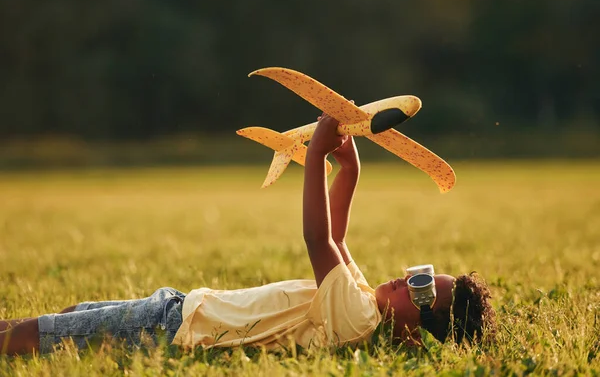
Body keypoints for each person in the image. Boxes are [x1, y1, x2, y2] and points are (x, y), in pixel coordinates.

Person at [0, 115, 496, 356]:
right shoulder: (363, 305)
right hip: (184, 307)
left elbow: (319, 240)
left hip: (178, 328)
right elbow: (340, 240)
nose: (408, 277)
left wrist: (318, 155)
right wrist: (349, 173)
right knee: (62, 320)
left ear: (418, 327)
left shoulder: (360, 320)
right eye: (421, 273)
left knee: (32, 339)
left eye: (422, 288)